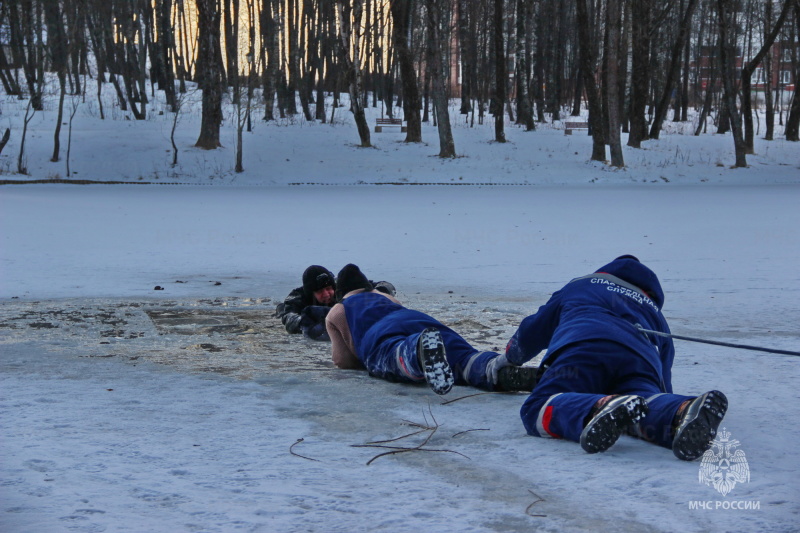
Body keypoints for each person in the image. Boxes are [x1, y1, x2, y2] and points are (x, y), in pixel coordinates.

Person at [505, 255, 728, 461]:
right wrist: (665, 397)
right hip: (641, 361)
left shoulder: (581, 285)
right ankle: (680, 412)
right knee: (643, 400)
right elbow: (664, 372)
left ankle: (600, 407)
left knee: (537, 406)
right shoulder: (656, 314)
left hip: (583, 348)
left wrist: (512, 356)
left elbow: (533, 330)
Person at [325, 264, 537, 395]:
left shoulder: (337, 310)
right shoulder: (386, 296)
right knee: (464, 359)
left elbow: (342, 361)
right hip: (418, 319)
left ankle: (417, 351)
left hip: (379, 335)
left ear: (341, 292)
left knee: (396, 354)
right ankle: (500, 372)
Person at [276, 265, 396, 341]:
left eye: (329, 289)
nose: (327, 294)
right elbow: (289, 318)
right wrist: (305, 322)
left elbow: (386, 285)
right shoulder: (297, 297)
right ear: (310, 293)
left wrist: (377, 294)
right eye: (320, 291)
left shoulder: (342, 285)